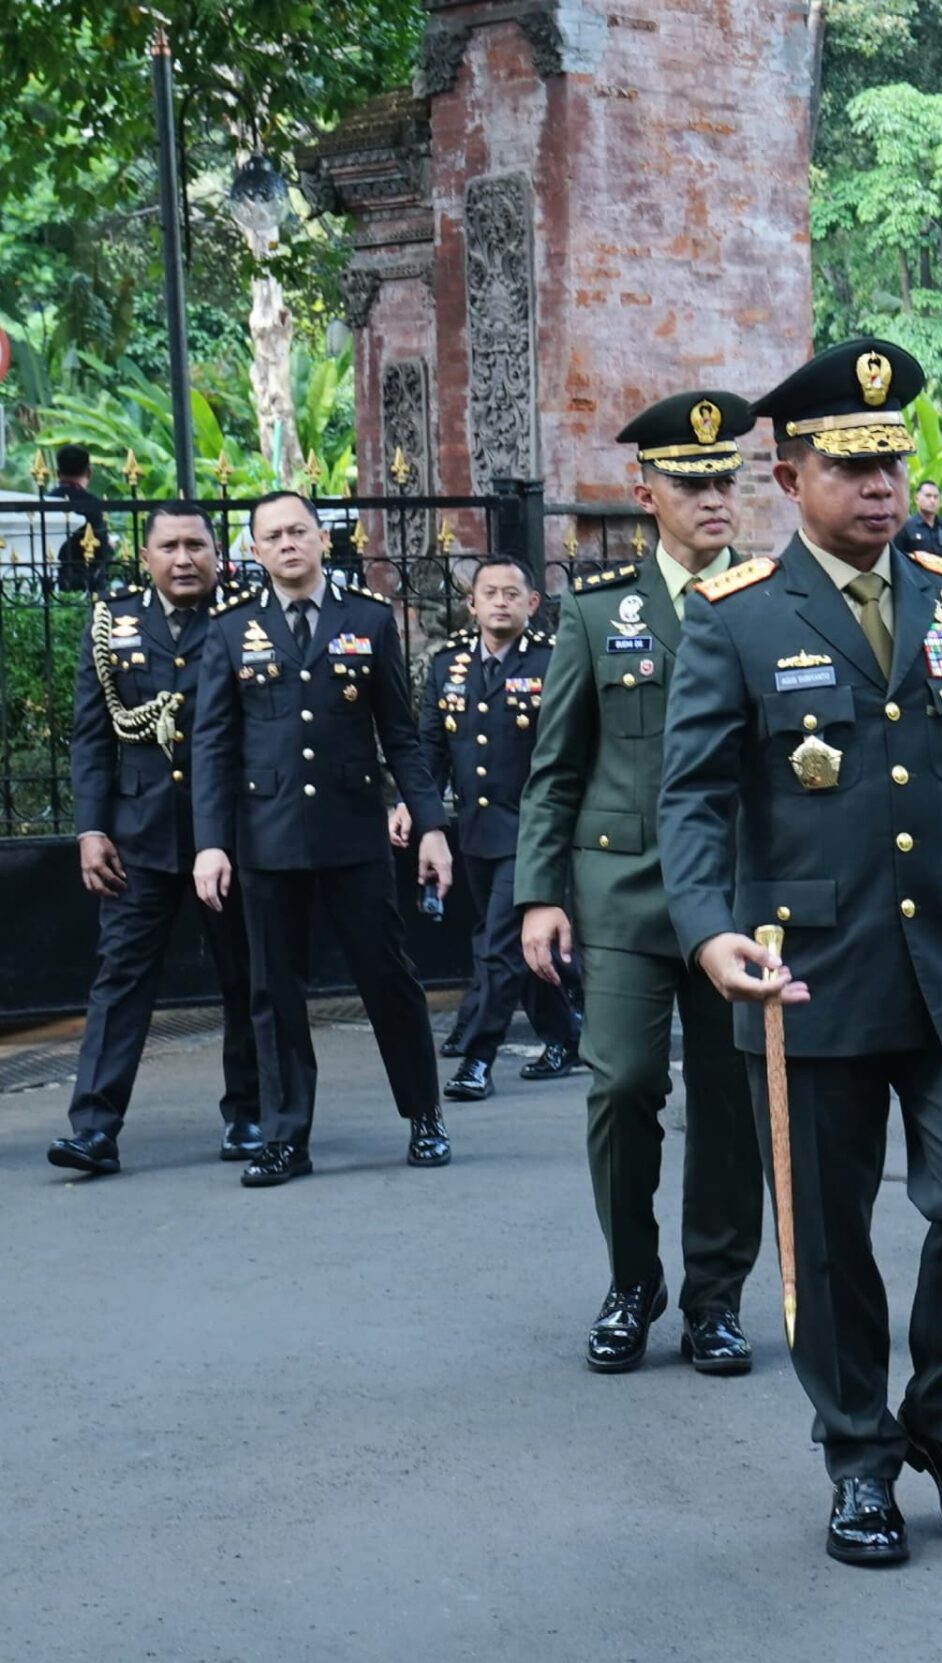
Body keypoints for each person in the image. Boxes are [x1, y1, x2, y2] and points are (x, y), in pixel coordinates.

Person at [657, 336, 942, 1568]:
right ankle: (857, 1455)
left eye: (891, 461)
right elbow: (692, 798)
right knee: (827, 1236)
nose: (880, 486)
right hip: (805, 976)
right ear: (791, 478)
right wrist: (707, 930)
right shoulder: (737, 617)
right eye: (850, 465)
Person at [516, 390, 767, 1376]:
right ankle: (632, 1279)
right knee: (622, 1082)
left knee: (728, 1101)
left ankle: (714, 1297)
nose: (712, 498)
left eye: (723, 481)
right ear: (645, 492)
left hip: (736, 894)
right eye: (690, 482)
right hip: (622, 889)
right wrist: (540, 893)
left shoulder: (769, 603)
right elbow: (555, 768)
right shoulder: (595, 613)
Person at [190, 490, 454, 1185]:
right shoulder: (231, 630)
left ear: (321, 538)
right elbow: (212, 746)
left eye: (298, 531)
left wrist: (430, 824)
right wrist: (211, 843)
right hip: (266, 837)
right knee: (274, 990)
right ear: (255, 550)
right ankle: (285, 1138)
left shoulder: (367, 619)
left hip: (351, 833)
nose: (287, 544)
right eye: (273, 535)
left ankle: (424, 1114)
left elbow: (400, 734)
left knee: (387, 977)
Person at [52, 500, 262, 1175]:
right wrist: (91, 828)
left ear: (217, 554)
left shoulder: (246, 620)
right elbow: (91, 737)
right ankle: (93, 1128)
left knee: (246, 974)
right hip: (138, 837)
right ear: (145, 557)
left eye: (195, 545)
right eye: (168, 546)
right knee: (120, 979)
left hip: (229, 834)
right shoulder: (112, 623)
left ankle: (251, 1113)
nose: (183, 559)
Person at [411, 558, 582, 1104]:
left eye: (512, 593)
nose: (501, 602)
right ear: (473, 604)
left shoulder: (554, 661)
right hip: (477, 832)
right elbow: (430, 749)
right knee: (517, 942)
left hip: (535, 831)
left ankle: (479, 1057)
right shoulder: (449, 666)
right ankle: (565, 1036)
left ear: (532, 603)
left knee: (499, 947)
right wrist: (417, 811)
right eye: (490, 593)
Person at [50, 445, 115, 593]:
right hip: (85, 580)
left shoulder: (46, 500)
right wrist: (110, 548)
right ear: (89, 473)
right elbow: (101, 550)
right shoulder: (92, 504)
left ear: (58, 473)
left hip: (52, 578)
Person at [893, 478, 942, 562]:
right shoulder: (905, 527)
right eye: (928, 496)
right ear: (916, 499)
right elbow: (896, 558)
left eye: (936, 497)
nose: (932, 500)